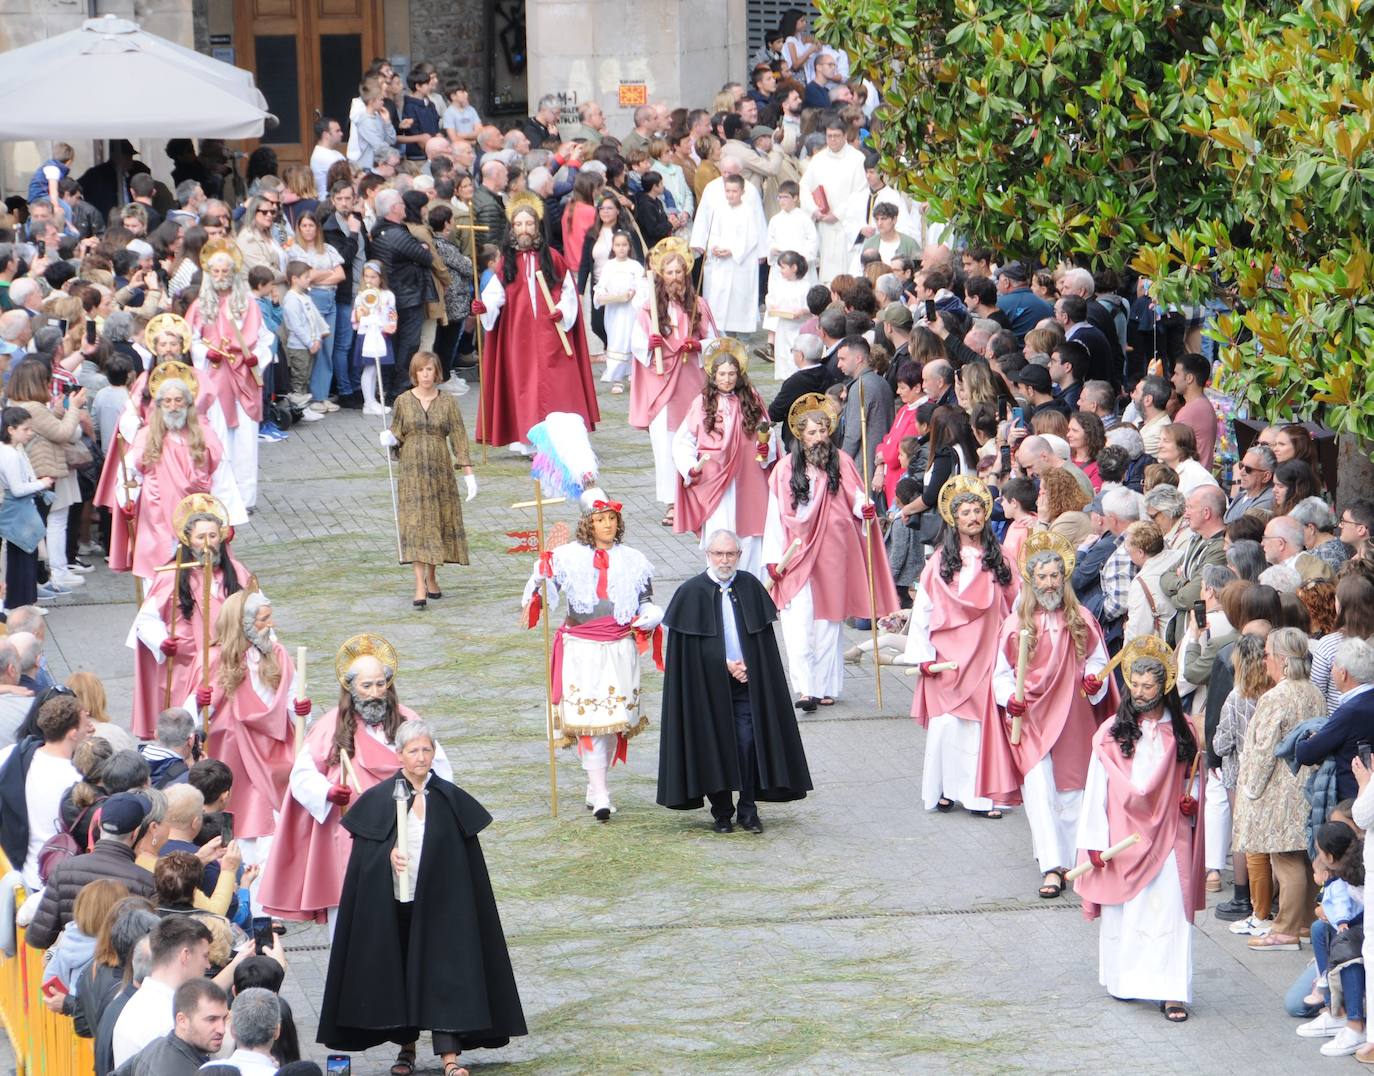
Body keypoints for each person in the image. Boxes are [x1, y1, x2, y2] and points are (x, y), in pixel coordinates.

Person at [317, 719, 526, 1075]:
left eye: (427, 749)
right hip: (397, 905)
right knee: (402, 973)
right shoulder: (380, 800)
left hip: (443, 907)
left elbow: (464, 861)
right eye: (413, 750)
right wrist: (386, 858)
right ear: (399, 755)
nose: (421, 757)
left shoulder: (448, 799)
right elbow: (363, 861)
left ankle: (450, 1057)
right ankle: (406, 1049)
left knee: (444, 975)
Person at [257, 635, 452, 931]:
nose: (375, 692)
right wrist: (329, 792)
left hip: (403, 829)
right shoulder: (331, 726)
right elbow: (303, 775)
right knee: (350, 914)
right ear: (350, 687)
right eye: (366, 685)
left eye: (380, 684)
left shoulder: (407, 721)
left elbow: (439, 767)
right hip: (351, 833)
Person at [1074, 647, 1204, 1023]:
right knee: (1126, 913)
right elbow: (1096, 789)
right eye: (1137, 685)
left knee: (1170, 913)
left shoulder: (1184, 732)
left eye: (1150, 685)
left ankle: (1172, 992)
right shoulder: (1112, 733)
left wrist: (1190, 804)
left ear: (1164, 688)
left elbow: (1193, 779)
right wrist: (1094, 845)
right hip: (1123, 835)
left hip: (1169, 834)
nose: (1143, 692)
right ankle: (1125, 980)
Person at [520, 485, 661, 819]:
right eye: (601, 519)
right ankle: (600, 793)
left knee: (614, 722)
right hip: (582, 647)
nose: (608, 525)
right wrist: (540, 575)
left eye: (612, 518)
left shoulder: (634, 560)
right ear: (589, 523)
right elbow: (540, 594)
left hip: (619, 647)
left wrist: (652, 614)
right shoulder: (568, 556)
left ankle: (596, 782)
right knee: (590, 720)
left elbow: (645, 599)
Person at [657, 529, 813, 831]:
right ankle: (722, 811)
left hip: (746, 685)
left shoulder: (750, 587)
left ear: (739, 556)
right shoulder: (691, 593)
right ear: (708, 555)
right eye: (719, 554)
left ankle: (748, 808)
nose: (724, 560)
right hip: (705, 688)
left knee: (746, 742)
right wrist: (724, 665)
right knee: (712, 744)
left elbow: (762, 643)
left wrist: (750, 666)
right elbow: (687, 654)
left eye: (730, 554)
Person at [987, 533, 1115, 898]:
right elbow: (1001, 673)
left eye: (1054, 576)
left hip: (1074, 715)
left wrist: (1095, 682)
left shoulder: (1082, 618)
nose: (1048, 583)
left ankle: (1075, 862)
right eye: (1041, 577)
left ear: (1064, 578)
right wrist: (1008, 699)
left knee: (1074, 792)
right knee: (1041, 791)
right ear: (1031, 580)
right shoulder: (1016, 625)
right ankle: (1051, 866)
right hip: (1032, 719)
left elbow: (1097, 661)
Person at [762, 399, 900, 709]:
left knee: (827, 624)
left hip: (832, 554)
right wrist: (771, 559)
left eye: (823, 431)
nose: (818, 437)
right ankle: (804, 689)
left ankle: (823, 687)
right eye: (811, 432)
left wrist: (864, 508)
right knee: (798, 624)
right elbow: (773, 516)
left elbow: (856, 495)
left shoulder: (841, 461)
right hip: (795, 556)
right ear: (800, 435)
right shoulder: (784, 469)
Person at [905, 477, 1018, 816]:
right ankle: (942, 790)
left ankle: (978, 796)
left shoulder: (1002, 559)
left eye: (978, 511)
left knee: (979, 728)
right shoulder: (940, 561)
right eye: (966, 512)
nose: (973, 517)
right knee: (947, 727)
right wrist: (922, 656)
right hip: (948, 658)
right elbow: (923, 609)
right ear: (954, 519)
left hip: (986, 654)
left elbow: (1018, 607)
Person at [475, 196, 600, 451]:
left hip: (552, 333)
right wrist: (484, 307)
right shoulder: (506, 262)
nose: (524, 229)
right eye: (518, 224)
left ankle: (560, 435)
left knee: (558, 383)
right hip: (518, 335)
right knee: (523, 385)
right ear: (512, 228)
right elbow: (496, 294)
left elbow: (568, 291)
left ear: (537, 226)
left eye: (529, 223)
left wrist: (562, 311)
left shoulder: (553, 258)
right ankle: (527, 438)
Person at [203, 589, 301, 911]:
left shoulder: (278, 654)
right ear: (243, 625)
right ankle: (248, 900)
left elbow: (292, 697)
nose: (271, 624)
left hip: (274, 748)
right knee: (245, 823)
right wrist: (199, 706)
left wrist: (300, 712)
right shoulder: (221, 659)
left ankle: (268, 898)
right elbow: (201, 706)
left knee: (272, 824)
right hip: (238, 750)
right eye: (263, 619)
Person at [1230, 627, 1325, 947]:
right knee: (1305, 855)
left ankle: (1285, 929)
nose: (1264, 661)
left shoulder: (1275, 697)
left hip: (1280, 791)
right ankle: (1304, 923)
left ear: (1283, 661)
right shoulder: (1314, 691)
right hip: (1310, 786)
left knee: (1285, 859)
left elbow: (1262, 750)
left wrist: (1249, 790)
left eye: (1268, 655)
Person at [127, 496, 247, 740]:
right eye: (201, 537)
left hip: (226, 661)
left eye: (212, 536)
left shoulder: (237, 573)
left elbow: (256, 611)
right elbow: (147, 619)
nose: (207, 543)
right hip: (184, 661)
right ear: (188, 540)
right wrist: (162, 641)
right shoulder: (172, 576)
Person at [124, 363, 244, 581]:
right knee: (161, 579)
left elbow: (221, 478)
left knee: (199, 577)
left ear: (188, 404)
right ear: (159, 406)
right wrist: (127, 499)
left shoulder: (204, 438)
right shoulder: (146, 437)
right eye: (167, 401)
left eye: (178, 400)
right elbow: (130, 475)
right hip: (158, 517)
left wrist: (229, 519)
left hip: (196, 517)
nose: (173, 406)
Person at [380, 351, 477, 606]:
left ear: (437, 373)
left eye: (430, 370)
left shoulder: (448, 403)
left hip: (439, 471)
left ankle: (432, 576)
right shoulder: (402, 401)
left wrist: (468, 473)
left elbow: (458, 436)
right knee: (415, 524)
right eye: (421, 370)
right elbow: (397, 431)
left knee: (436, 522)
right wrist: (390, 438)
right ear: (415, 373)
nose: (425, 375)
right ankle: (418, 584)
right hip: (412, 473)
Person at [631, 244, 715, 521]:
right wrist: (650, 343)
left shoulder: (698, 305)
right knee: (665, 444)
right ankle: (671, 501)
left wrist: (699, 345)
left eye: (679, 271)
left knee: (692, 438)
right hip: (663, 383)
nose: (675, 277)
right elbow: (637, 344)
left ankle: (696, 495)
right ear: (660, 275)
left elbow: (715, 341)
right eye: (669, 272)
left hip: (691, 380)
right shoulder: (650, 308)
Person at [672, 344, 772, 576]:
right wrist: (690, 467)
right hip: (716, 478)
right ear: (713, 375)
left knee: (751, 534)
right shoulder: (703, 402)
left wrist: (767, 447)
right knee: (721, 526)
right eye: (722, 374)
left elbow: (767, 432)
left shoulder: (751, 399)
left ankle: (751, 580)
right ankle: (719, 576)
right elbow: (682, 440)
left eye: (731, 374)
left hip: (748, 475)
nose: (727, 379)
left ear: (739, 375)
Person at [187, 240, 271, 511]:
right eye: (216, 272)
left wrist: (257, 358)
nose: (221, 277)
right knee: (218, 436)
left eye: (225, 271)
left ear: (233, 273)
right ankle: (221, 494)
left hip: (244, 377)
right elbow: (191, 340)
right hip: (215, 378)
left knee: (246, 440)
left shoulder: (248, 304)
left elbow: (263, 339)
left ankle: (245, 498)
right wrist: (204, 354)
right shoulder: (200, 306)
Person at [24, 792, 158, 950]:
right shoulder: (148, 882)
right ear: (135, 833)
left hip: (71, 968)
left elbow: (38, 937)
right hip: (119, 972)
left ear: (100, 825)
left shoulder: (64, 870)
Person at [110, 915, 213, 1068]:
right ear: (186, 955)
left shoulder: (141, 1002)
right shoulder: (167, 1020)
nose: (208, 965)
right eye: (205, 956)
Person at [692, 175, 768, 333]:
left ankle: (739, 333)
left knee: (738, 298)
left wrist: (732, 250)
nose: (730, 195)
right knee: (718, 296)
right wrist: (713, 247)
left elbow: (751, 237)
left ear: (742, 191)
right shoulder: (719, 209)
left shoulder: (748, 211)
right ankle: (718, 330)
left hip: (740, 262)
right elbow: (712, 231)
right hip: (720, 262)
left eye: (734, 191)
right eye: (727, 191)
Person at [113, 977, 229, 1076]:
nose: (222, 1029)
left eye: (224, 1018)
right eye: (211, 1019)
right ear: (182, 1020)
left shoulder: (155, 1047)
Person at [800, 118, 867, 282]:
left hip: (846, 225)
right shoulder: (818, 159)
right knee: (825, 269)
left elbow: (860, 192)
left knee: (846, 269)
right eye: (829, 136)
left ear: (845, 136)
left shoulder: (857, 159)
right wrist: (815, 210)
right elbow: (804, 187)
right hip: (823, 224)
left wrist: (837, 214)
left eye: (836, 136)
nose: (832, 140)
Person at [592, 231, 647, 391]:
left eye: (624, 245)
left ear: (629, 247)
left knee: (631, 340)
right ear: (613, 247)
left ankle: (633, 374)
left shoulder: (635, 266)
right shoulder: (609, 266)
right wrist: (614, 296)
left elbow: (642, 288)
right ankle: (617, 378)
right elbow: (601, 289)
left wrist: (633, 295)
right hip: (614, 312)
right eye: (618, 245)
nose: (621, 248)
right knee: (616, 340)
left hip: (631, 312)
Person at [1171, 352, 1217, 469]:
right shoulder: (1203, 405)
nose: (1172, 379)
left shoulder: (1190, 412)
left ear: (1189, 378)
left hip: (1190, 482)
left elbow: (1172, 452)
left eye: (1176, 374)